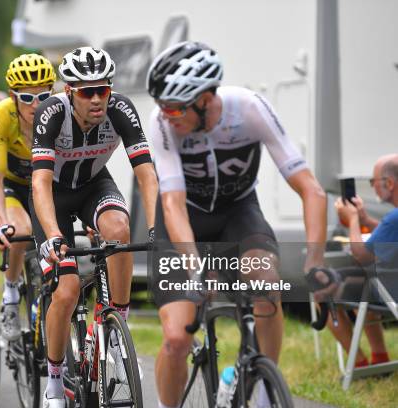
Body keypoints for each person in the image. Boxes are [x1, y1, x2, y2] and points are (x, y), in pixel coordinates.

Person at [146, 41, 327, 408]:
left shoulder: (248, 109)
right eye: (163, 107)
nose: (168, 116)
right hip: (184, 220)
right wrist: (195, 267)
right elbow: (172, 204)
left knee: (267, 285)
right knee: (177, 338)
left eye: (176, 108)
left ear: (206, 99)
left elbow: (312, 190)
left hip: (237, 213)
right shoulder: (162, 123)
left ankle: (260, 389)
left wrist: (315, 263)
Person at [31, 47, 158, 408]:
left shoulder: (120, 108)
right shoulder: (51, 112)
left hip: (93, 185)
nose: (97, 98)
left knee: (119, 228)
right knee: (68, 290)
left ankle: (116, 334)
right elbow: (39, 183)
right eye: (87, 91)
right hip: (52, 194)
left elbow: (147, 175)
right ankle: (54, 382)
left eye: (103, 89)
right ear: (70, 91)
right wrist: (54, 235)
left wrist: (157, 228)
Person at [0, 54, 56, 341]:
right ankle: (11, 292)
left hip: (47, 185)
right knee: (22, 232)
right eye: (26, 97)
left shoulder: (59, 113)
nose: (36, 104)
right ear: (13, 97)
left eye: (43, 95)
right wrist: (2, 222)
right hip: (14, 185)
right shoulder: (2, 115)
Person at [331, 154, 398, 367]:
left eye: (374, 182)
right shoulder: (393, 219)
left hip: (391, 294)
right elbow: (389, 232)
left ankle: (358, 362)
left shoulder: (394, 218)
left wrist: (351, 220)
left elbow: (361, 255)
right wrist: (365, 220)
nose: (373, 187)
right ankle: (379, 357)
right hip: (388, 288)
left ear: (389, 183)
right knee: (359, 285)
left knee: (322, 286)